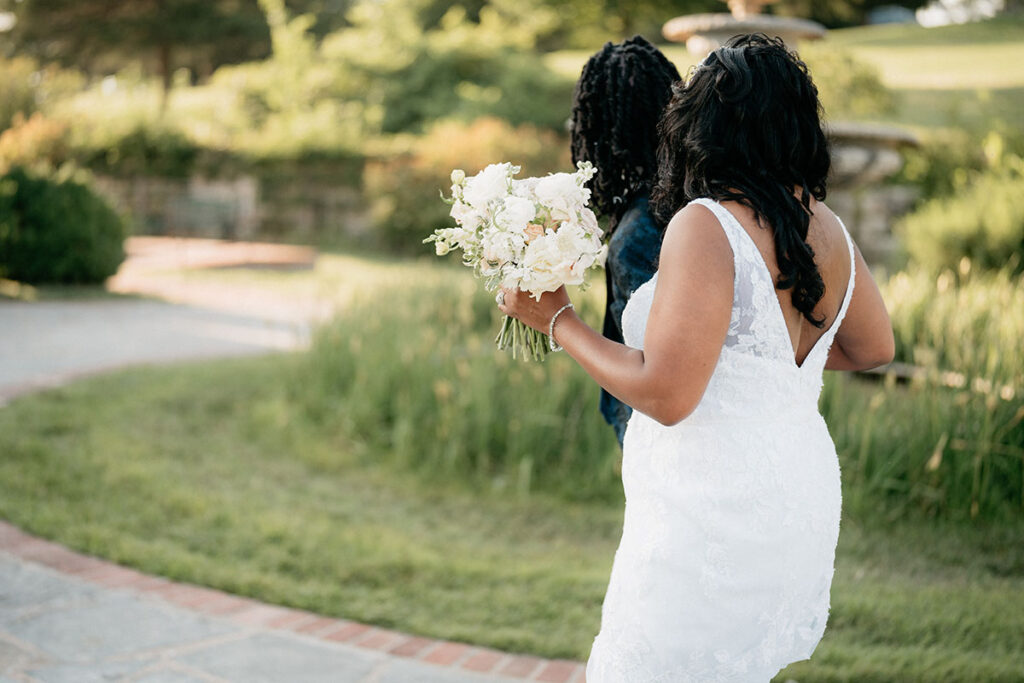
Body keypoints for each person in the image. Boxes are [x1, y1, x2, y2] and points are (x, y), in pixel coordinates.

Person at [498, 34, 895, 681]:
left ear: (707, 121)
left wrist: (558, 320)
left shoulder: (706, 224)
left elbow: (668, 395)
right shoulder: (823, 225)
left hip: (712, 511)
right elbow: (872, 346)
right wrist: (754, 372)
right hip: (794, 495)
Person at [569, 36, 680, 447]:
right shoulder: (686, 203)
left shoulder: (640, 232)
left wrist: (555, 318)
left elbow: (656, 368)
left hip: (657, 433)